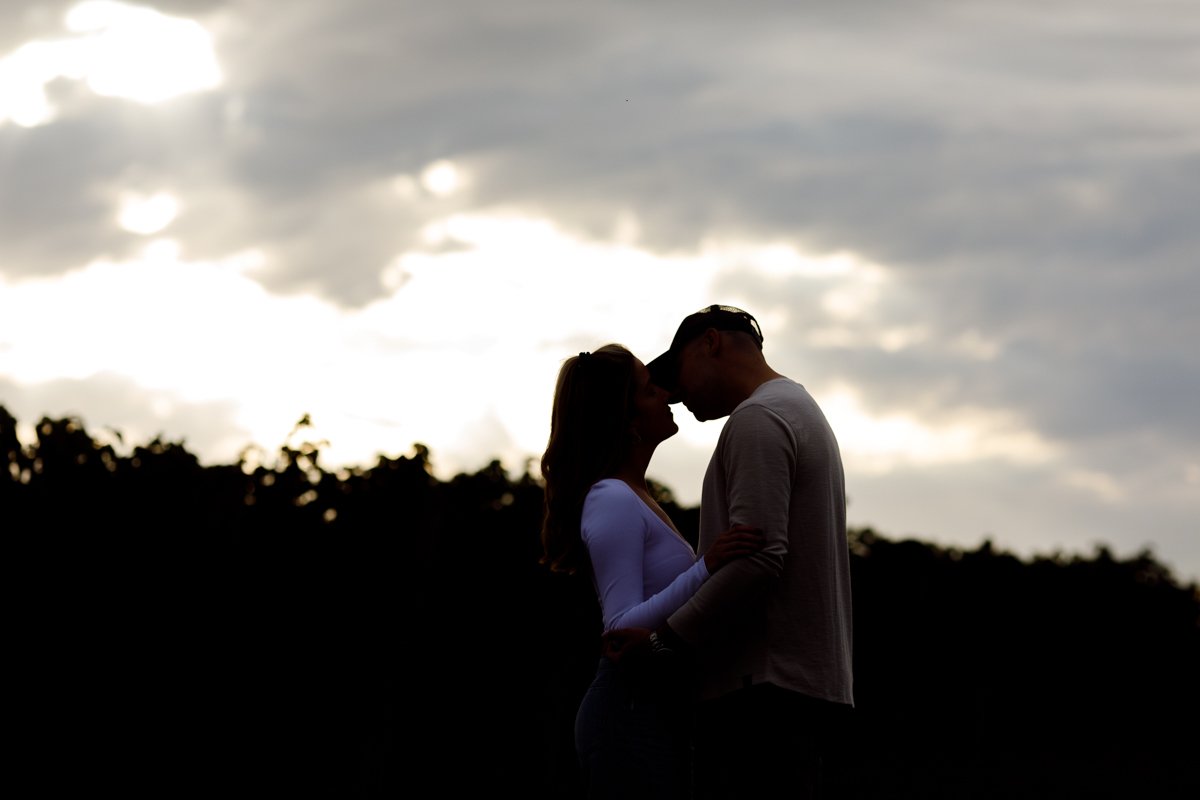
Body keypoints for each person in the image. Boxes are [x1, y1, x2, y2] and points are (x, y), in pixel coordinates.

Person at [606, 305, 855, 800]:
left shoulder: (757, 419)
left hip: (760, 694)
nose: (674, 396)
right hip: (798, 690)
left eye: (674, 374)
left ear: (711, 343)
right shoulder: (798, 409)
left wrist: (663, 643)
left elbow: (759, 559)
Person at [540, 344, 763, 800]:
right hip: (628, 713)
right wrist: (708, 567)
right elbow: (620, 627)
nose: (665, 393)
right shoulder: (611, 497)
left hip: (655, 708)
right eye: (648, 389)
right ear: (624, 418)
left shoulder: (636, 496)